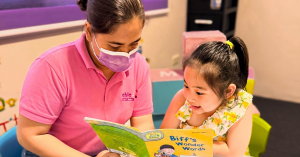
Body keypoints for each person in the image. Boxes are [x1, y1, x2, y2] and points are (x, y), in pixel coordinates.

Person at [17, 0, 154, 157]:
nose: (124, 54)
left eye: (133, 44)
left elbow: (143, 123)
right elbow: (30, 135)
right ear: (89, 31)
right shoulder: (52, 67)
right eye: (114, 47)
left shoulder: (138, 65)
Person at [160, 37, 253, 157]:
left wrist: (189, 142)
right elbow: (164, 135)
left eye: (199, 93)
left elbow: (234, 152)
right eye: (186, 86)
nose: (190, 97)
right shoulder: (181, 98)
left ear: (228, 91)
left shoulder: (240, 104)